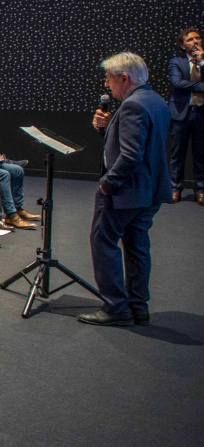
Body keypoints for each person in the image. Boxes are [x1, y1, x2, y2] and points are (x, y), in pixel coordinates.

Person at [77, 52, 172, 327]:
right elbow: (143, 142)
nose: (107, 85)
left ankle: (116, 307)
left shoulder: (133, 106)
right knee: (137, 246)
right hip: (150, 190)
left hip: (125, 192)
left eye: (109, 79)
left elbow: (130, 156)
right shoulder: (155, 101)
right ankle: (138, 306)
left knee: (103, 243)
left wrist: (108, 185)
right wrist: (107, 129)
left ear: (124, 77)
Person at [166, 27, 203, 204]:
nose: (195, 41)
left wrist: (202, 62)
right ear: (182, 45)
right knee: (177, 154)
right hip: (181, 113)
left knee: (201, 154)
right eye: (190, 40)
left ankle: (201, 189)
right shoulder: (176, 62)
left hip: (201, 113)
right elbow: (177, 83)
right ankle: (174, 188)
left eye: (198, 38)